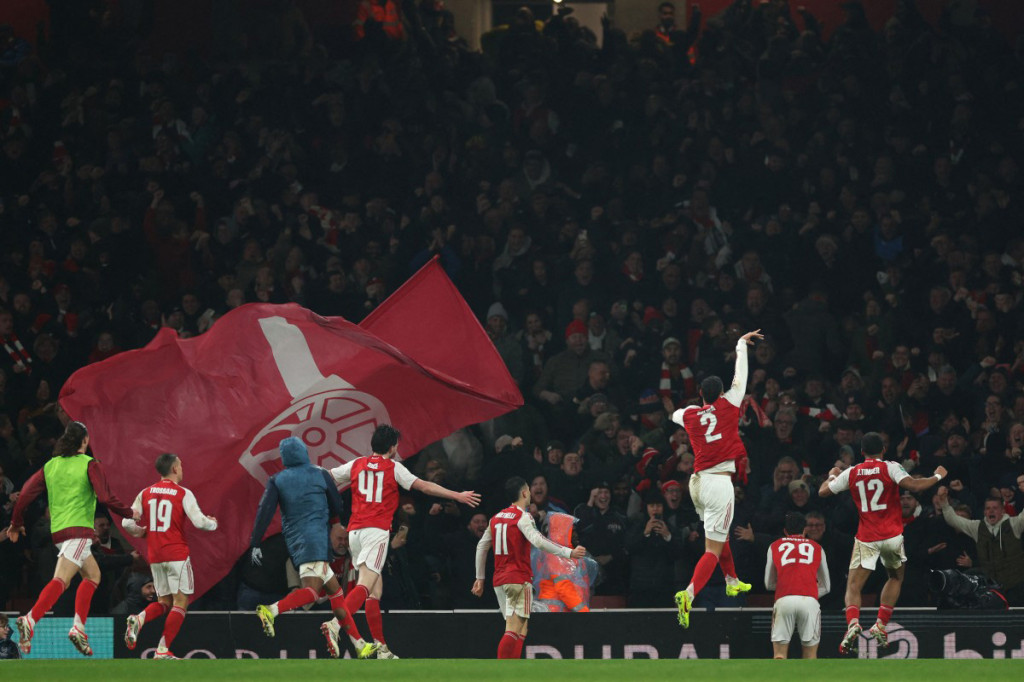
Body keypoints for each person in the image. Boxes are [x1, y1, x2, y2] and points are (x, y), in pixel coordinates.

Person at [330, 424, 481, 659]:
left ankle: (382, 649)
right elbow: (424, 486)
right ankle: (335, 624)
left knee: (374, 593)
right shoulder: (393, 467)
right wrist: (456, 495)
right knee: (366, 585)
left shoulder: (356, 464)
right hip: (376, 531)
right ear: (391, 448)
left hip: (355, 532)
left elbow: (328, 476)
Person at [5, 421, 137, 656]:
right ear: (84, 441)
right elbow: (105, 498)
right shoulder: (89, 464)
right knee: (62, 580)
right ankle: (31, 620)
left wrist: (16, 522)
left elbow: (24, 493)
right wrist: (130, 513)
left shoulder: (51, 465)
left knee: (93, 575)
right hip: (78, 532)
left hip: (59, 533)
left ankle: (78, 627)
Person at [818, 432, 947, 654]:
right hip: (892, 537)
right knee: (895, 577)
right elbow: (914, 486)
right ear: (883, 450)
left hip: (867, 537)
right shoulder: (890, 467)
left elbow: (823, 492)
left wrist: (832, 475)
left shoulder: (853, 472)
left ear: (861, 452)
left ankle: (853, 623)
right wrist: (937, 477)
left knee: (854, 585)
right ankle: (880, 623)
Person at [249, 437, 373, 659]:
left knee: (337, 595)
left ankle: (359, 644)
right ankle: (271, 610)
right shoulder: (320, 473)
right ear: (304, 452)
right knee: (312, 592)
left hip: (298, 541)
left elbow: (264, 511)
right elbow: (337, 502)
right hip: (316, 539)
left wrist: (256, 542)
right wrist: (333, 518)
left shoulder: (277, 480)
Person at [671, 329, 763, 627]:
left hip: (697, 483)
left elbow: (675, 414)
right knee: (713, 548)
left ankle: (732, 580)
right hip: (719, 484)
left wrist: (695, 409)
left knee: (717, 536)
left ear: (701, 394)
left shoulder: (689, 415)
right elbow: (741, 376)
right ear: (721, 393)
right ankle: (688, 594)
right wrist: (740, 345)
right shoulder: (729, 403)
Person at [472, 476, 587, 658]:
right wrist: (569, 552)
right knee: (513, 627)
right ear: (525, 493)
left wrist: (480, 578)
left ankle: (515, 670)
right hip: (518, 578)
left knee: (522, 627)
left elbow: (482, 546)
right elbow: (538, 541)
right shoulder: (522, 517)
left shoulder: (496, 518)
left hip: (500, 581)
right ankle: (502, 672)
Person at [120, 453, 218, 659]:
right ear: (174, 469)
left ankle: (139, 619)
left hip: (155, 555)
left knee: (164, 602)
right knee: (181, 602)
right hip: (176, 554)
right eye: (180, 465)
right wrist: (213, 522)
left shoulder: (145, 493)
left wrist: (142, 532)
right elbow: (200, 523)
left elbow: (127, 523)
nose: (182, 469)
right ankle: (162, 650)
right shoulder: (183, 493)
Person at [934, 484, 1024, 605]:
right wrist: (944, 501)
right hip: (991, 588)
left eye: (995, 508)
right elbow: (953, 519)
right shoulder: (977, 527)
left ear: (1003, 510)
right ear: (984, 511)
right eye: (988, 508)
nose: (991, 511)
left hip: (1016, 586)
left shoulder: (1014, 524)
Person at [765, 512, 830, 659]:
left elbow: (768, 583)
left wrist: (789, 587)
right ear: (805, 530)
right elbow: (826, 586)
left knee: (779, 655)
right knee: (810, 655)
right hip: (809, 602)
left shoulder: (774, 546)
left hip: (783, 600)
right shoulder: (817, 547)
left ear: (785, 531)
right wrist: (806, 590)